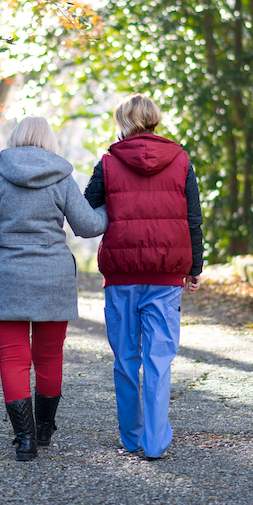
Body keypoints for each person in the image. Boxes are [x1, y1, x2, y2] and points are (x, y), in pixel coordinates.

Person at [0, 116, 108, 461]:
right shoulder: (61, 178)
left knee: (12, 361)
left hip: (6, 279)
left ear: (16, 138)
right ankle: (44, 430)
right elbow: (87, 226)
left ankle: (24, 440)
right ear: (49, 141)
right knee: (49, 357)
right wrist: (111, 209)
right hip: (53, 280)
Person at [84, 93, 203, 460]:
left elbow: (88, 207)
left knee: (125, 360)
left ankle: (132, 437)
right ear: (154, 119)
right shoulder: (180, 160)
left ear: (123, 121)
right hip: (166, 275)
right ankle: (154, 443)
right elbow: (193, 218)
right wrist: (194, 267)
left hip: (121, 276)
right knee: (158, 359)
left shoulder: (108, 162)